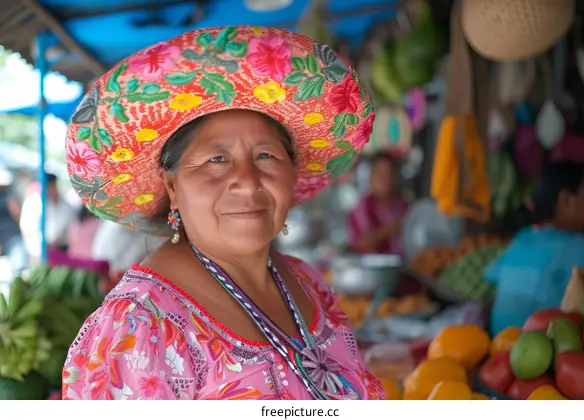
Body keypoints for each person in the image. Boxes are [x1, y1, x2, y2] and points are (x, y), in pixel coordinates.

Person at [61, 26, 384, 400]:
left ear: (292, 172)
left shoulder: (308, 283)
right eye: (216, 159)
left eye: (266, 155)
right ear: (172, 187)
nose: (247, 182)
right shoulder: (138, 328)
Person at [484, 162, 584, 336]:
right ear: (566, 200)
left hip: (500, 344)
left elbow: (490, 274)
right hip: (540, 352)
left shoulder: (522, 237)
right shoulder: (578, 249)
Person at [348, 152, 409, 255]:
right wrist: (390, 229)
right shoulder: (363, 207)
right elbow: (359, 243)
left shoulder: (404, 204)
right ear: (371, 177)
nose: (385, 179)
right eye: (380, 174)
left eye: (389, 173)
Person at [19, 173, 75, 262]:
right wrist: (46, 243)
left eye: (52, 186)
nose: (50, 190)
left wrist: (56, 241)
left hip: (61, 249)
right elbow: (27, 228)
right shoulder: (33, 202)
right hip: (38, 251)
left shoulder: (65, 204)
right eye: (48, 187)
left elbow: (71, 226)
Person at [0, 166, 27, 277]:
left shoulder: (8, 196)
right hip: (11, 236)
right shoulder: (8, 197)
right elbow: (17, 214)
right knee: (18, 271)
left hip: (9, 236)